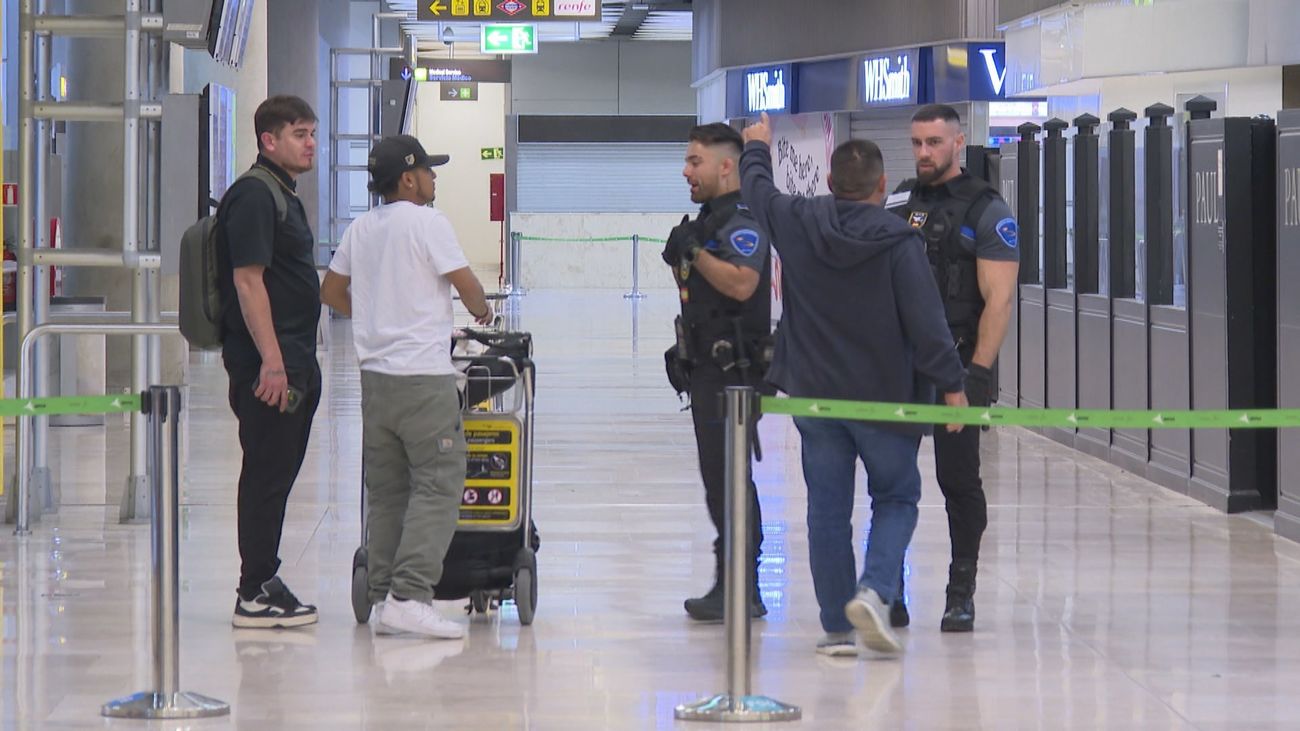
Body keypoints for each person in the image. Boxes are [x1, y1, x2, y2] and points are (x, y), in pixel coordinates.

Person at [739, 112, 968, 657]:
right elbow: (927, 322)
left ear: (827, 182)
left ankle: (836, 629)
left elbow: (759, 189)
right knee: (897, 496)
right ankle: (873, 591)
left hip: (816, 400)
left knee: (826, 510)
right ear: (883, 186)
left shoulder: (797, 222)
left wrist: (756, 145)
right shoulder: (898, 242)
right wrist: (953, 386)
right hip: (886, 401)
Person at [320, 134, 493, 639]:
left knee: (389, 492)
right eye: (429, 171)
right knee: (439, 483)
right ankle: (411, 594)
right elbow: (466, 285)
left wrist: (376, 316)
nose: (434, 179)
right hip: (423, 379)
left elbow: (331, 291)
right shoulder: (428, 223)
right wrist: (482, 310)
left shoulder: (361, 227)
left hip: (376, 380)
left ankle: (381, 600)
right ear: (408, 179)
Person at [885, 104, 1019, 633]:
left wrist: (978, 374)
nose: (923, 153)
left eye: (934, 143)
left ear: (958, 143)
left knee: (958, 480)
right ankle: (889, 584)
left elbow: (999, 300)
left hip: (958, 363)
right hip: (900, 364)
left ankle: (960, 590)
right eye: (917, 142)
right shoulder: (898, 200)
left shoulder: (987, 209)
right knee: (891, 478)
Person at [219, 95, 324, 629]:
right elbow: (247, 279)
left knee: (277, 474)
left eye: (312, 133)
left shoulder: (281, 192)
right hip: (271, 368)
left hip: (294, 360)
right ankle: (253, 590)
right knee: (265, 474)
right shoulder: (256, 197)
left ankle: (262, 575)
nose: (311, 144)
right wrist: (274, 363)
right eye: (300, 134)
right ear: (269, 140)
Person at [663, 123, 772, 622]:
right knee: (718, 479)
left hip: (733, 372)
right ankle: (729, 579)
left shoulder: (741, 220)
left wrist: (694, 254)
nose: (687, 171)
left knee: (730, 479)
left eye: (695, 161)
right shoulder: (708, 221)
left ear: (726, 165)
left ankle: (742, 584)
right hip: (705, 368)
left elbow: (743, 284)